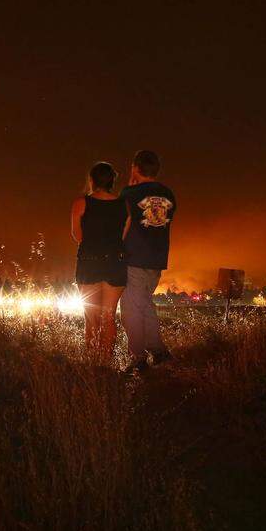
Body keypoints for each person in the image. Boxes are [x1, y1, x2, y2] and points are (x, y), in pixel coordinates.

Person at [120, 150, 176, 372]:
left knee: (131, 308)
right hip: (157, 258)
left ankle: (138, 357)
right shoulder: (169, 194)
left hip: (135, 256)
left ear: (135, 168)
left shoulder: (129, 193)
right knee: (144, 304)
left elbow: (123, 222)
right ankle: (158, 351)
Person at [71, 161, 129, 363]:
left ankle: (92, 361)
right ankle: (106, 362)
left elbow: (78, 236)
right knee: (108, 316)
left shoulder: (81, 203)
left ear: (92, 180)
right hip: (115, 264)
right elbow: (123, 236)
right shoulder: (124, 205)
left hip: (90, 263)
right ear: (112, 181)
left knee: (91, 317)